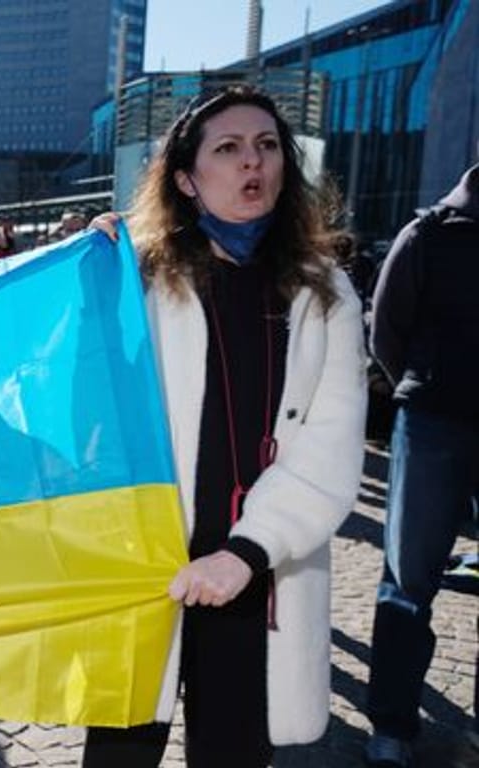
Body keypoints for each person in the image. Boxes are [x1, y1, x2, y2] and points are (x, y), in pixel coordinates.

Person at [84, 85, 367, 767]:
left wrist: (245, 553)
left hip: (256, 572)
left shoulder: (324, 292)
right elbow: (83, 405)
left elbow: (330, 443)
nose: (254, 163)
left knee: (234, 755)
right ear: (186, 177)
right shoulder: (136, 279)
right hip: (146, 567)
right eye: (230, 148)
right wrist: (88, 273)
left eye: (268, 146)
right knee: (118, 753)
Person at [363, 158, 479, 768]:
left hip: (432, 417)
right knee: (407, 582)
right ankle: (391, 726)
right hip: (432, 422)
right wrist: (424, 385)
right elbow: (386, 331)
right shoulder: (428, 232)